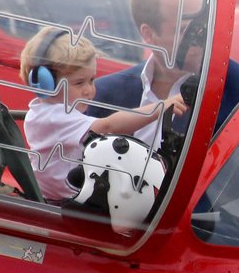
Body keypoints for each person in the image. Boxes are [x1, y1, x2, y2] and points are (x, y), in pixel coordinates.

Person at [21, 26, 187, 201]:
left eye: (91, 80)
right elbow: (108, 126)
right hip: (63, 203)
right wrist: (159, 108)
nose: (89, 90)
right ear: (45, 83)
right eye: (79, 83)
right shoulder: (54, 118)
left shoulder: (42, 112)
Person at [87, 0, 239, 138]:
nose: (200, 38)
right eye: (186, 30)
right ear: (149, 34)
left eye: (202, 26)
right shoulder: (103, 96)